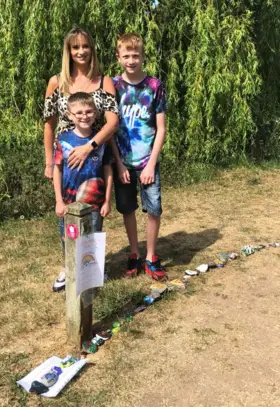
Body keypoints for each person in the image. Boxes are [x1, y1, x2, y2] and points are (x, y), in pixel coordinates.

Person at [110, 33, 168, 282]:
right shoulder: (113, 86)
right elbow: (109, 128)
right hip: (122, 162)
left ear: (143, 56)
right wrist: (118, 163)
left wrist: (151, 164)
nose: (131, 60)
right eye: (127, 55)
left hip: (147, 162)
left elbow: (161, 128)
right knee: (127, 209)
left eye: (136, 55)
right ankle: (134, 252)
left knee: (154, 209)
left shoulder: (154, 86)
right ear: (118, 57)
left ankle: (151, 256)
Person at [52, 92, 112, 292]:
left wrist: (107, 201)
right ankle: (68, 269)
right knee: (68, 237)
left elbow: (108, 169)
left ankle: (94, 272)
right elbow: (57, 170)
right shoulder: (62, 139)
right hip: (69, 203)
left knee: (92, 237)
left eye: (88, 112)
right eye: (78, 113)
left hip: (94, 203)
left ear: (95, 114)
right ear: (69, 115)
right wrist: (59, 201)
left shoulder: (100, 140)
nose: (84, 116)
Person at [43, 27, 119, 179]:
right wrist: (49, 163)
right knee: (66, 202)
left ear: (91, 49)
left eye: (85, 46)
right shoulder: (56, 82)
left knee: (96, 201)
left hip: (96, 158)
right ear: (68, 51)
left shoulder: (105, 82)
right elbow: (49, 125)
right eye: (75, 47)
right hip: (65, 159)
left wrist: (88, 147)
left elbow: (113, 123)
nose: (81, 51)